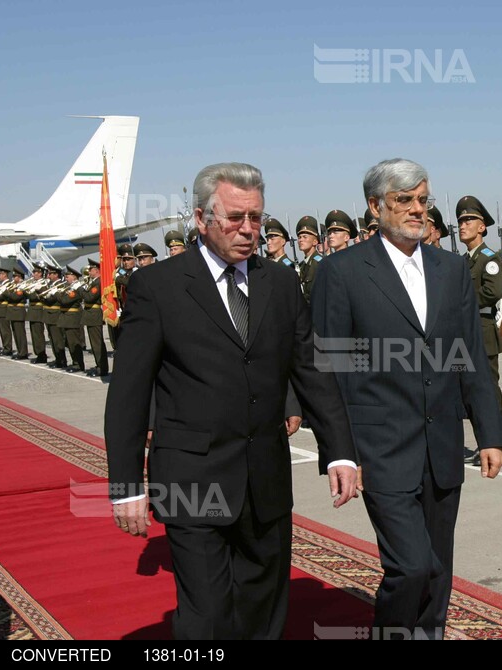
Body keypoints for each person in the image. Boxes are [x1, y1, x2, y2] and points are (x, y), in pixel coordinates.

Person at [105, 162, 358, 640]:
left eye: (257, 218)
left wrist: (339, 450)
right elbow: (129, 394)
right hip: (191, 478)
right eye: (235, 218)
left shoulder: (280, 284)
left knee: (264, 611)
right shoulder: (157, 287)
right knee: (207, 616)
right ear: (201, 219)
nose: (249, 230)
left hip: (264, 479)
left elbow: (312, 369)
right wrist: (127, 485)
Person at [312, 158, 502, 639]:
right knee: (412, 566)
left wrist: (489, 433)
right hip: (380, 448)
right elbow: (331, 370)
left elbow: (470, 358)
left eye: (423, 200)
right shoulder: (343, 272)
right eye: (405, 201)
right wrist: (340, 451)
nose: (418, 210)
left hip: (442, 445)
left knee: (439, 572)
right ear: (376, 206)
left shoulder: (452, 268)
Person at [456, 195, 502, 421]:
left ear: (482, 227)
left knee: (487, 386)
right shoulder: (464, 261)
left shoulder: (488, 258)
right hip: (465, 329)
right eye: (460, 222)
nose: (462, 226)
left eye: (468, 221)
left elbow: (492, 292)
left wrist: (462, 301)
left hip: (483, 329)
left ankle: (494, 435)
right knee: (471, 387)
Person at [80, 259, 109, 377]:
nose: (88, 272)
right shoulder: (94, 282)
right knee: (94, 343)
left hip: (94, 314)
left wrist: (81, 289)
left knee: (97, 343)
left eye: (90, 270)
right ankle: (99, 365)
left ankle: (102, 368)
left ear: (96, 270)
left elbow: (89, 298)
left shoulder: (98, 282)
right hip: (91, 314)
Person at [57, 266, 86, 373]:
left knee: (74, 343)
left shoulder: (76, 289)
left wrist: (57, 294)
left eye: (67, 276)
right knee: (69, 343)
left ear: (74, 277)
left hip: (73, 318)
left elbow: (64, 300)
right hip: (66, 318)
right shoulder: (69, 287)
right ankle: (75, 363)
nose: (66, 278)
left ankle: (78, 364)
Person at [295, 215, 323, 303]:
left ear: (315, 242)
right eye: (299, 237)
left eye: (305, 237)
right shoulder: (301, 265)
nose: (300, 240)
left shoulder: (320, 262)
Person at [25, 264, 49, 364]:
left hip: (38, 310)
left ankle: (41, 354)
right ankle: (38, 353)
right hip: (32, 310)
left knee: (38, 334)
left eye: (37, 272)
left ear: (41, 274)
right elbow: (28, 295)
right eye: (34, 272)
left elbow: (36, 297)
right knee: (34, 334)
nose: (34, 274)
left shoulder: (43, 283)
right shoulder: (32, 283)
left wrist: (30, 292)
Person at [4, 267, 29, 360]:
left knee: (20, 334)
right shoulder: (14, 286)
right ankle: (20, 352)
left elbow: (15, 297)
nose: (14, 278)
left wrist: (6, 292)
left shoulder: (22, 286)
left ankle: (23, 353)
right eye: (14, 276)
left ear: (20, 277)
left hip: (18, 311)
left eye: (15, 276)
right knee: (16, 333)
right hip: (13, 312)